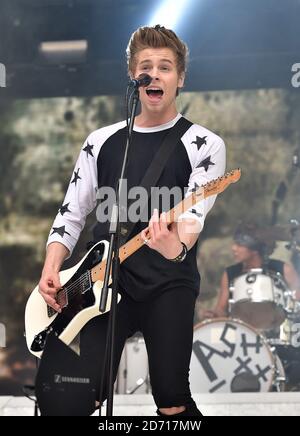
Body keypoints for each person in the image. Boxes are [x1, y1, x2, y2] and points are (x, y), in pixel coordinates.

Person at [38, 25, 226, 416]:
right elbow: (71, 212)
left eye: (165, 67)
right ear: (133, 77)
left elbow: (192, 216)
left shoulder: (203, 144)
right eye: (146, 67)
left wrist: (176, 246)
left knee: (173, 397)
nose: (154, 74)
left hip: (168, 283)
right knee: (81, 395)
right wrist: (52, 268)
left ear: (181, 78)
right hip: (105, 283)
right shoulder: (100, 141)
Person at [205, 223, 300, 320]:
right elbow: (221, 309)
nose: (234, 248)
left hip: (278, 329)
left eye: (239, 245)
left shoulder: (283, 270)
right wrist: (215, 314)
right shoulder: (230, 273)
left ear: (254, 250)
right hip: (241, 329)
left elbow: (297, 303)